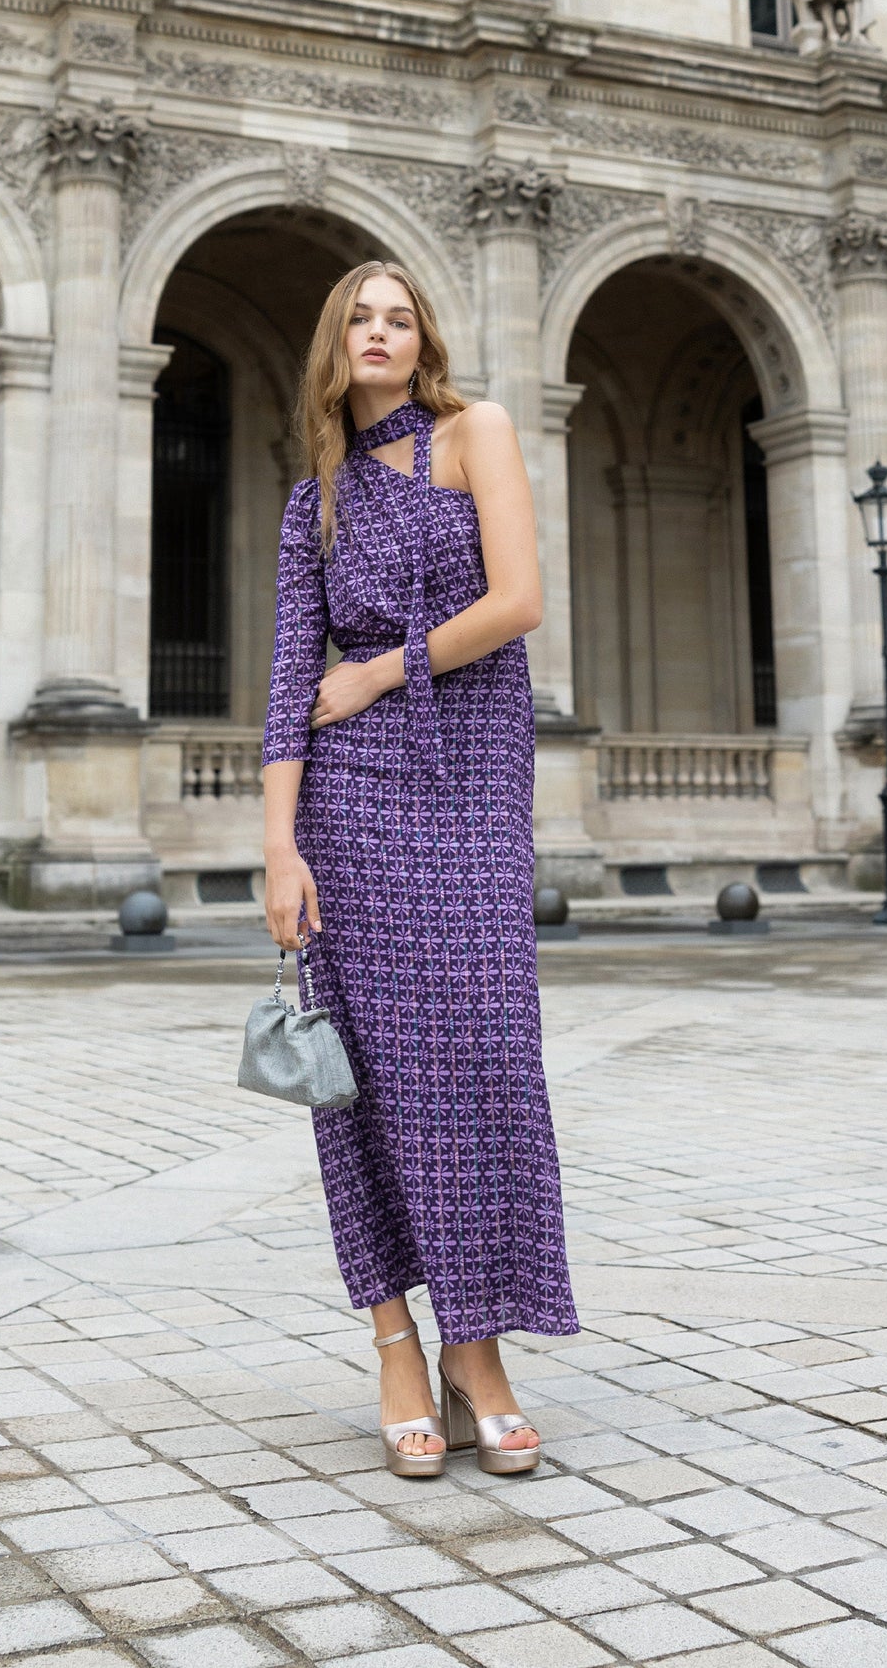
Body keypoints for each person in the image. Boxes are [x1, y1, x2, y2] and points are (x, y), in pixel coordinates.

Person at [261, 260, 578, 1477]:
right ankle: (396, 1337)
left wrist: (382, 670)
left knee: (484, 1058)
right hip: (348, 802)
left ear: (421, 338)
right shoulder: (314, 502)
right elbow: (292, 684)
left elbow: (519, 603)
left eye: (399, 316)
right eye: (359, 316)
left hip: (469, 781)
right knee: (367, 1077)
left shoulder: (472, 432)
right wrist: (279, 845)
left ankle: (477, 1345)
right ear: (334, 349)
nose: (381, 331)